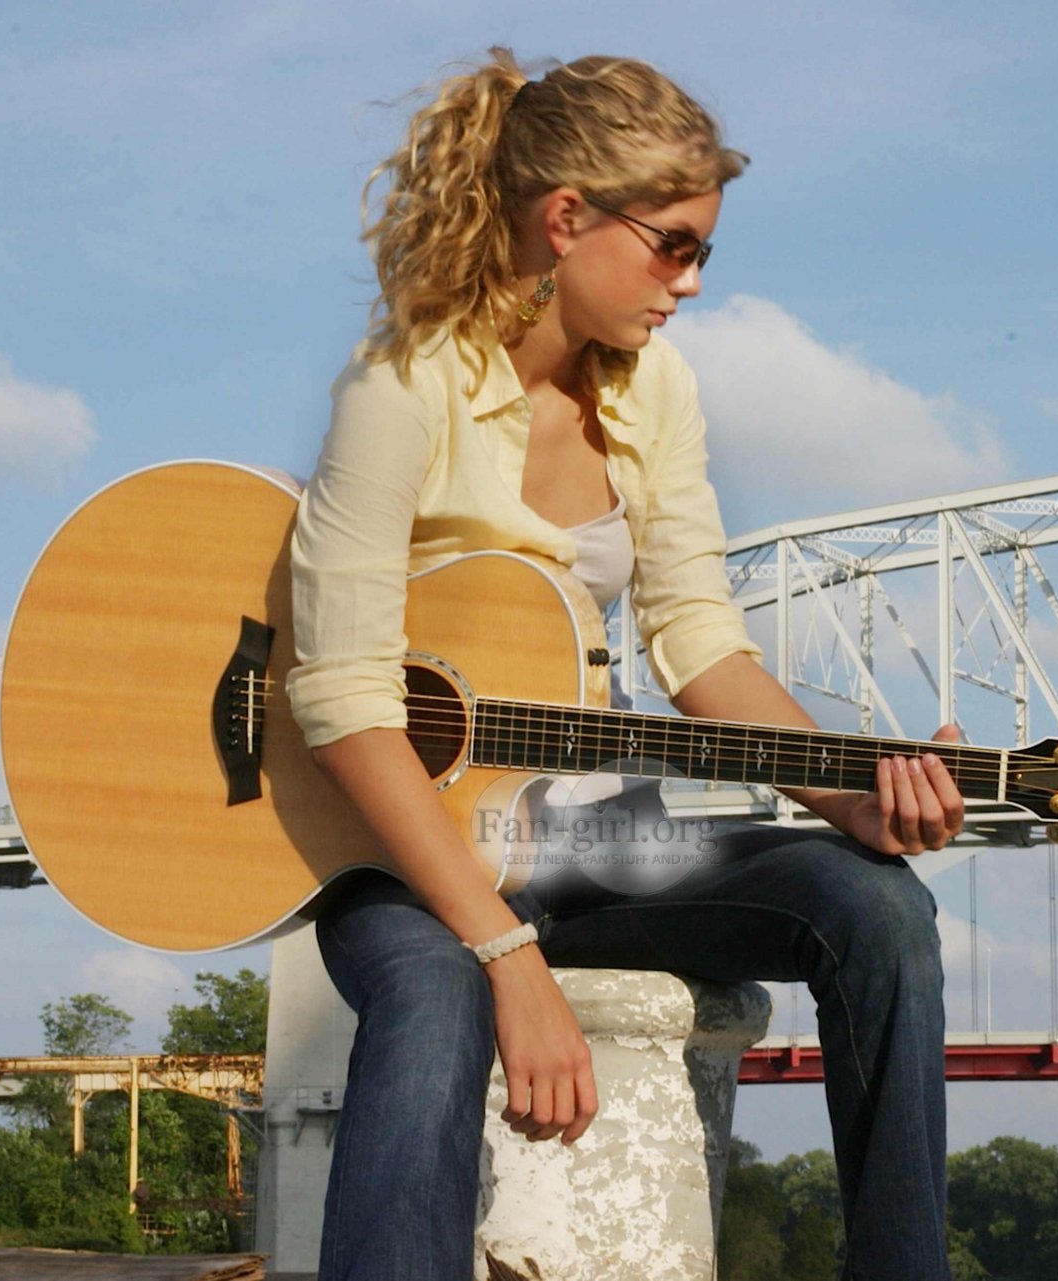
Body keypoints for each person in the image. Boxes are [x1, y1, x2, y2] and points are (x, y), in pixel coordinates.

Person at [285, 48, 964, 1281]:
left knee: (882, 911)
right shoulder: (403, 388)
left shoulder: (658, 397)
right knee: (436, 997)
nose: (692, 284)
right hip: (403, 852)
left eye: (703, 253)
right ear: (567, 221)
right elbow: (340, 703)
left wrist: (852, 792)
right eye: (675, 246)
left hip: (585, 839)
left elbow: (701, 642)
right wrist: (507, 955)